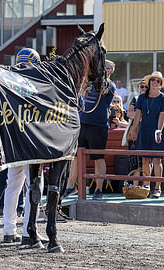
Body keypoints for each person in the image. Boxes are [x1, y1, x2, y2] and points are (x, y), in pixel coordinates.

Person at [64, 59, 117, 200]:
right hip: (83, 123)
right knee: (76, 157)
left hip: (98, 126)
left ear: (111, 71)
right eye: (102, 66)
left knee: (98, 158)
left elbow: (103, 90)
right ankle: (70, 186)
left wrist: (98, 76)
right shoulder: (89, 82)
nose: (104, 69)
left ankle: (98, 189)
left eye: (107, 67)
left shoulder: (110, 85)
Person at [2, 48, 39, 244]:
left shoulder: (8, 82)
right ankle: (28, 230)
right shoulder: (35, 85)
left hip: (13, 141)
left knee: (12, 186)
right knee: (34, 186)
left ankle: (8, 230)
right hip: (30, 142)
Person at [130, 71, 164, 198]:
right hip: (144, 130)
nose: (155, 83)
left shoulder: (163, 98)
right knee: (145, 159)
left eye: (158, 81)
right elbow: (137, 115)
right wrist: (134, 130)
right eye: (153, 80)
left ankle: (157, 188)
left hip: (156, 131)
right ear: (149, 82)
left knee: (157, 160)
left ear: (160, 84)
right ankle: (146, 186)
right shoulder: (141, 97)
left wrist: (159, 132)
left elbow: (162, 116)